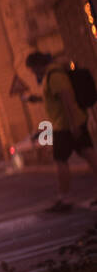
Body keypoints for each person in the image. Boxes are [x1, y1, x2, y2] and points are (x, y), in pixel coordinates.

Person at [25, 50, 97, 212]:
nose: (32, 72)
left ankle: (64, 198)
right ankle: (64, 197)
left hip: (65, 125)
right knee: (89, 155)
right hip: (69, 123)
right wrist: (36, 99)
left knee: (60, 160)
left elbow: (67, 99)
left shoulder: (54, 75)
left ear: (37, 65)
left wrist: (73, 125)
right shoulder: (50, 76)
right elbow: (54, 98)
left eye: (31, 68)